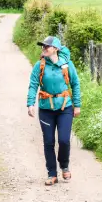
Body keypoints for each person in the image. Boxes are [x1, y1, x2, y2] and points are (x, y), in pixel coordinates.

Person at [27, 36, 81, 185]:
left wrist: (77, 105)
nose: (43, 48)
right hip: (46, 108)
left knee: (64, 140)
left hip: (65, 107)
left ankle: (64, 165)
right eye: (42, 46)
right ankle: (52, 173)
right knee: (49, 141)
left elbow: (75, 84)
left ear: (56, 49)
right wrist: (30, 104)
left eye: (47, 46)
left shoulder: (67, 65)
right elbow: (33, 85)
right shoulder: (40, 65)